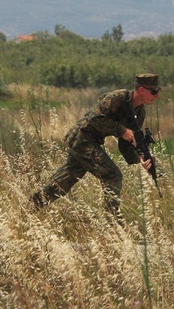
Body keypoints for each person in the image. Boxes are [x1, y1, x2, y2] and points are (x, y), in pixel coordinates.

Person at [32, 72, 160, 218]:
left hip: (90, 142)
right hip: (82, 138)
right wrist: (122, 130)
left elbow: (125, 145)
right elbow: (94, 118)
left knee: (65, 181)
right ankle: (111, 221)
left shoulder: (140, 113)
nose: (156, 96)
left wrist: (140, 157)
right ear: (142, 90)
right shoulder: (118, 98)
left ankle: (29, 208)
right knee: (113, 175)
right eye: (154, 92)